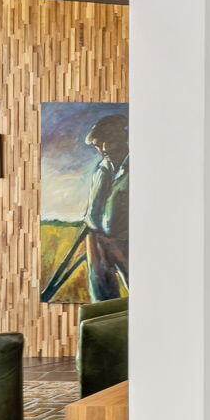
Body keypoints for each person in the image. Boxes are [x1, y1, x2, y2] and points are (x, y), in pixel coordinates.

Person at [82, 113, 129, 300]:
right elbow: (94, 209)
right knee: (102, 295)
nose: (103, 149)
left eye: (107, 142)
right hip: (99, 237)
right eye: (97, 145)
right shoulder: (102, 169)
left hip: (127, 240)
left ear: (121, 138)